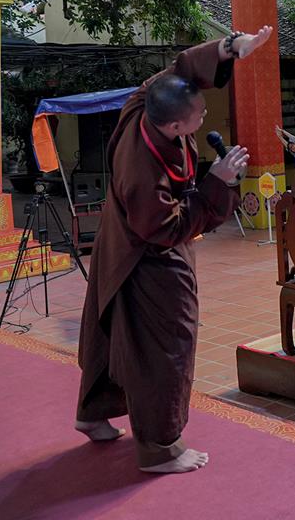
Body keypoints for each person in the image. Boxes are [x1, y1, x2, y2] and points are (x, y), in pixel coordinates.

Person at [75, 26, 271, 474]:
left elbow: (181, 70)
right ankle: (160, 449)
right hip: (145, 256)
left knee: (111, 333)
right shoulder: (142, 171)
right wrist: (217, 183)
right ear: (174, 126)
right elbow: (167, 228)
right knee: (167, 346)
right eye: (199, 116)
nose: (204, 117)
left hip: (119, 241)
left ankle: (91, 413)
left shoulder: (145, 103)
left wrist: (231, 47)